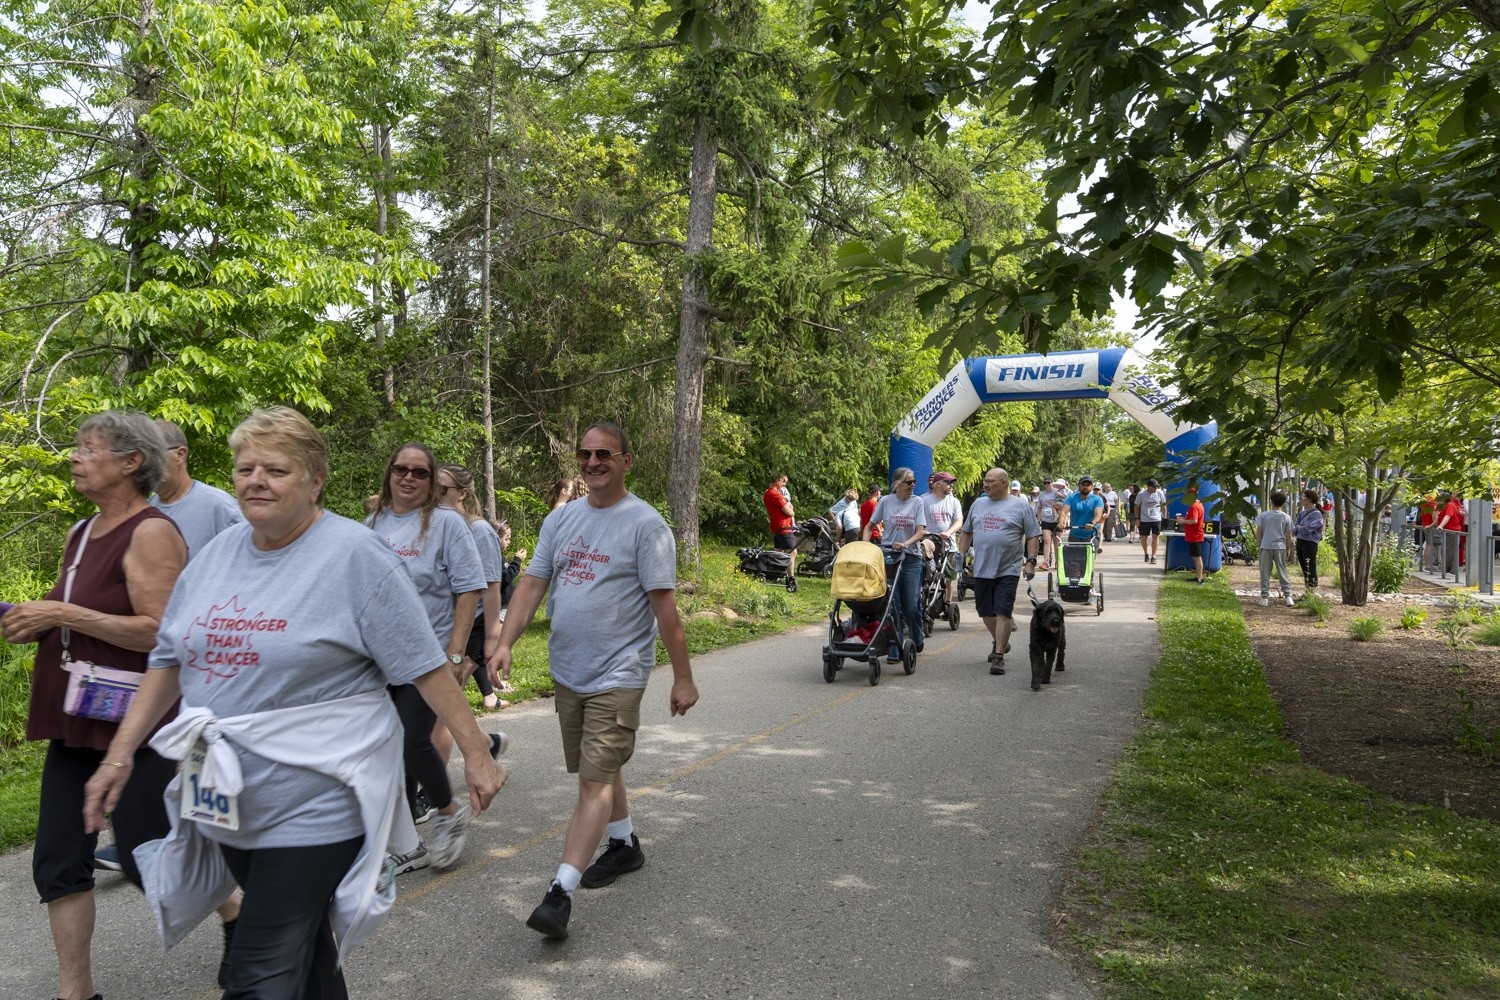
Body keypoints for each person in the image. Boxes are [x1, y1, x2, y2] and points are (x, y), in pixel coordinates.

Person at [81, 406, 506, 999]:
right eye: (245, 468)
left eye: (276, 470)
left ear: (315, 481)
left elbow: (423, 665)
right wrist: (120, 755)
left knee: (257, 972)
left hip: (320, 799)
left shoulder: (355, 555)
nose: (256, 481)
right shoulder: (218, 553)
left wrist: (476, 750)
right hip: (230, 801)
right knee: (307, 960)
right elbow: (168, 659)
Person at [0, 410, 195, 1000]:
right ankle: (76, 993)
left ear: (131, 462)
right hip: (77, 720)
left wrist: (62, 612)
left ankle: (236, 911)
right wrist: (31, 620)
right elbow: (71, 615)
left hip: (141, 724)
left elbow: (162, 634)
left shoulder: (153, 533)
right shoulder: (81, 533)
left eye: (88, 448)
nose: (74, 458)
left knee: (142, 855)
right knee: (59, 860)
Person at [491, 422, 698, 941]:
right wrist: (505, 641)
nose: (592, 462)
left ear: (626, 461)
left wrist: (683, 678)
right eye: (585, 454)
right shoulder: (562, 520)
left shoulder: (646, 526)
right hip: (569, 669)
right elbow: (533, 585)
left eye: (604, 453)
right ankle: (624, 845)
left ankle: (559, 892)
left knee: (594, 781)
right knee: (598, 770)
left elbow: (665, 609)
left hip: (619, 672)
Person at [89, 420, 244, 880]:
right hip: (165, 654)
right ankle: (154, 837)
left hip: (219, 653)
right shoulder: (147, 513)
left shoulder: (217, 506)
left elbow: (252, 566)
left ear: (179, 454)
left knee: (199, 755)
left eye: (155, 451)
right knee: (167, 753)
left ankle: (214, 848)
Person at [367, 443, 486, 872]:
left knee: (412, 739)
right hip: (379, 659)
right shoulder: (373, 523)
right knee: (387, 745)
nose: (409, 477)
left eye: (420, 472)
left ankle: (449, 813)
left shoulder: (447, 523)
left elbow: (469, 590)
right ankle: (405, 841)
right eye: (401, 469)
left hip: (428, 657)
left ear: (432, 480)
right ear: (390, 473)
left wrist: (455, 655)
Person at [434, 463, 511, 715]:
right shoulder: (441, 527)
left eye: (441, 489)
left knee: (445, 704)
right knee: (442, 706)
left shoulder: (479, 530)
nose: (433, 494)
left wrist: (491, 640)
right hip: (447, 627)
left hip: (474, 627)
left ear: (462, 493)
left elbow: (492, 587)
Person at [957, 468, 1043, 676]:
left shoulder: (1020, 506)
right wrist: (960, 555)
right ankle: (1000, 641)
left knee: (1003, 611)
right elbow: (966, 532)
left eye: (990, 481)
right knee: (985, 612)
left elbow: (1033, 535)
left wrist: (1031, 561)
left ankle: (998, 656)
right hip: (982, 568)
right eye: (985, 481)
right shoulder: (978, 504)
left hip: (1008, 568)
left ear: (1004, 483)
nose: (985, 484)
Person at [862, 468, 928, 662]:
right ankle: (895, 646)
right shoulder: (885, 501)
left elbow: (920, 532)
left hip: (911, 557)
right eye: (909, 482)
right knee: (892, 604)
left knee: (911, 605)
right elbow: (869, 526)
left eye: (914, 481)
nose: (913, 485)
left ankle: (917, 635)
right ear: (897, 484)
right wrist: (865, 546)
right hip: (889, 556)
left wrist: (906, 543)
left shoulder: (917, 502)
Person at [150, 419, 242, 557]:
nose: (143, 464)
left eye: (152, 454)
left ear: (180, 455)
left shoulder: (221, 508)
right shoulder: (147, 508)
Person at [922, 471, 964, 605]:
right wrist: (922, 530)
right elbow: (918, 521)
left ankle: (947, 602)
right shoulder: (925, 501)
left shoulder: (954, 502)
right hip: (930, 544)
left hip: (949, 546)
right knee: (928, 575)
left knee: (949, 578)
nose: (951, 485)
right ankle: (926, 600)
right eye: (948, 482)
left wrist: (949, 532)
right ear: (939, 484)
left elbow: (959, 521)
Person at [1254, 489, 1296, 604]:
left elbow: (1259, 532)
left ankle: (1264, 598)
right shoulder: (1286, 517)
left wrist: (1259, 544)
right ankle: (1288, 597)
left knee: (1264, 572)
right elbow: (1289, 534)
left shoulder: (1264, 515)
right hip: (1280, 547)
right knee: (1282, 571)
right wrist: (1288, 547)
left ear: (1271, 501)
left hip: (1266, 546)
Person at [763, 474, 797, 576]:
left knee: (778, 552)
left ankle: (776, 574)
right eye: (783, 481)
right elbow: (790, 513)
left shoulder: (767, 493)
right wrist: (791, 509)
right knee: (792, 552)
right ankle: (791, 577)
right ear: (777, 481)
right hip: (784, 527)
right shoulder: (775, 495)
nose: (784, 484)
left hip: (776, 526)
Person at [1294, 489, 1325, 592]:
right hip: (1300, 541)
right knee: (1303, 565)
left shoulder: (1316, 514)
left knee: (1310, 566)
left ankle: (1312, 589)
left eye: (1304, 498)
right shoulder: (1302, 513)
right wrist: (1299, 528)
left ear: (1310, 500)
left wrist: (1300, 527)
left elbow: (1308, 529)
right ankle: (1307, 588)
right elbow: (1295, 526)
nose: (1302, 499)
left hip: (1310, 543)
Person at [1063, 476, 1105, 553]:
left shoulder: (1097, 499)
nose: (1085, 487)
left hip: (1091, 534)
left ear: (1092, 487)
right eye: (1083, 485)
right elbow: (1064, 511)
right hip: (1074, 534)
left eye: (1088, 485)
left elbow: (1098, 514)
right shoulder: (1071, 498)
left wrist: (1092, 523)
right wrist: (1061, 522)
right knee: (1074, 559)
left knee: (1088, 558)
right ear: (1079, 486)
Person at [1180, 484, 1208, 584]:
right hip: (1194, 535)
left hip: (1195, 535)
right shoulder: (1198, 504)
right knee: (1195, 557)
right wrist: (1185, 519)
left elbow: (1194, 520)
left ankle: (1200, 579)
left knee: (1197, 557)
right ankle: (1198, 577)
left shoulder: (1194, 506)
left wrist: (1183, 521)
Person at [1135, 477, 1167, 563]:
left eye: (1157, 486)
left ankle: (1153, 556)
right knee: (1144, 538)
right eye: (1154, 487)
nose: (1156, 488)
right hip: (1145, 519)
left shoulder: (1159, 493)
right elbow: (1136, 506)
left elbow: (1163, 505)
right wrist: (1137, 518)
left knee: (1155, 537)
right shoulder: (1141, 494)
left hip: (1156, 518)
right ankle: (1146, 553)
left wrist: (1164, 517)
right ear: (1149, 486)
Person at [1036, 478, 1067, 563]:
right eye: (1045, 483)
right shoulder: (1042, 494)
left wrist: (1059, 508)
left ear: (1052, 483)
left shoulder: (1058, 492)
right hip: (1046, 520)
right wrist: (1038, 519)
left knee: (1056, 542)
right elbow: (1039, 507)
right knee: (1046, 541)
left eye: (1048, 482)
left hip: (1057, 520)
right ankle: (1045, 562)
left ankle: (1058, 562)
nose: (1046, 484)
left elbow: (1066, 505)